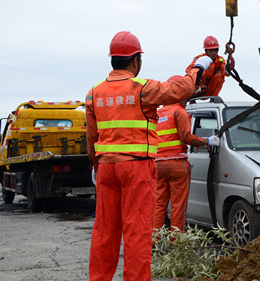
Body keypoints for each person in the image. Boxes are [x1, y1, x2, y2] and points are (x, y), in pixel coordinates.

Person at [85, 31, 217, 281]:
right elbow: (183, 89)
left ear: (113, 60)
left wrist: (95, 164)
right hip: (136, 168)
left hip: (105, 169)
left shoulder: (94, 93)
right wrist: (197, 67)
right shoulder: (143, 89)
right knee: (137, 230)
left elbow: (92, 138)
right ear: (136, 61)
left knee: (105, 230)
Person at [153, 75, 219, 233]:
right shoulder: (179, 112)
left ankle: (152, 241)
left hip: (158, 164)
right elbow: (186, 137)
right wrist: (207, 141)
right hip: (176, 164)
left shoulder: (158, 113)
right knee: (178, 206)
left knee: (159, 204)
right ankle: (177, 243)